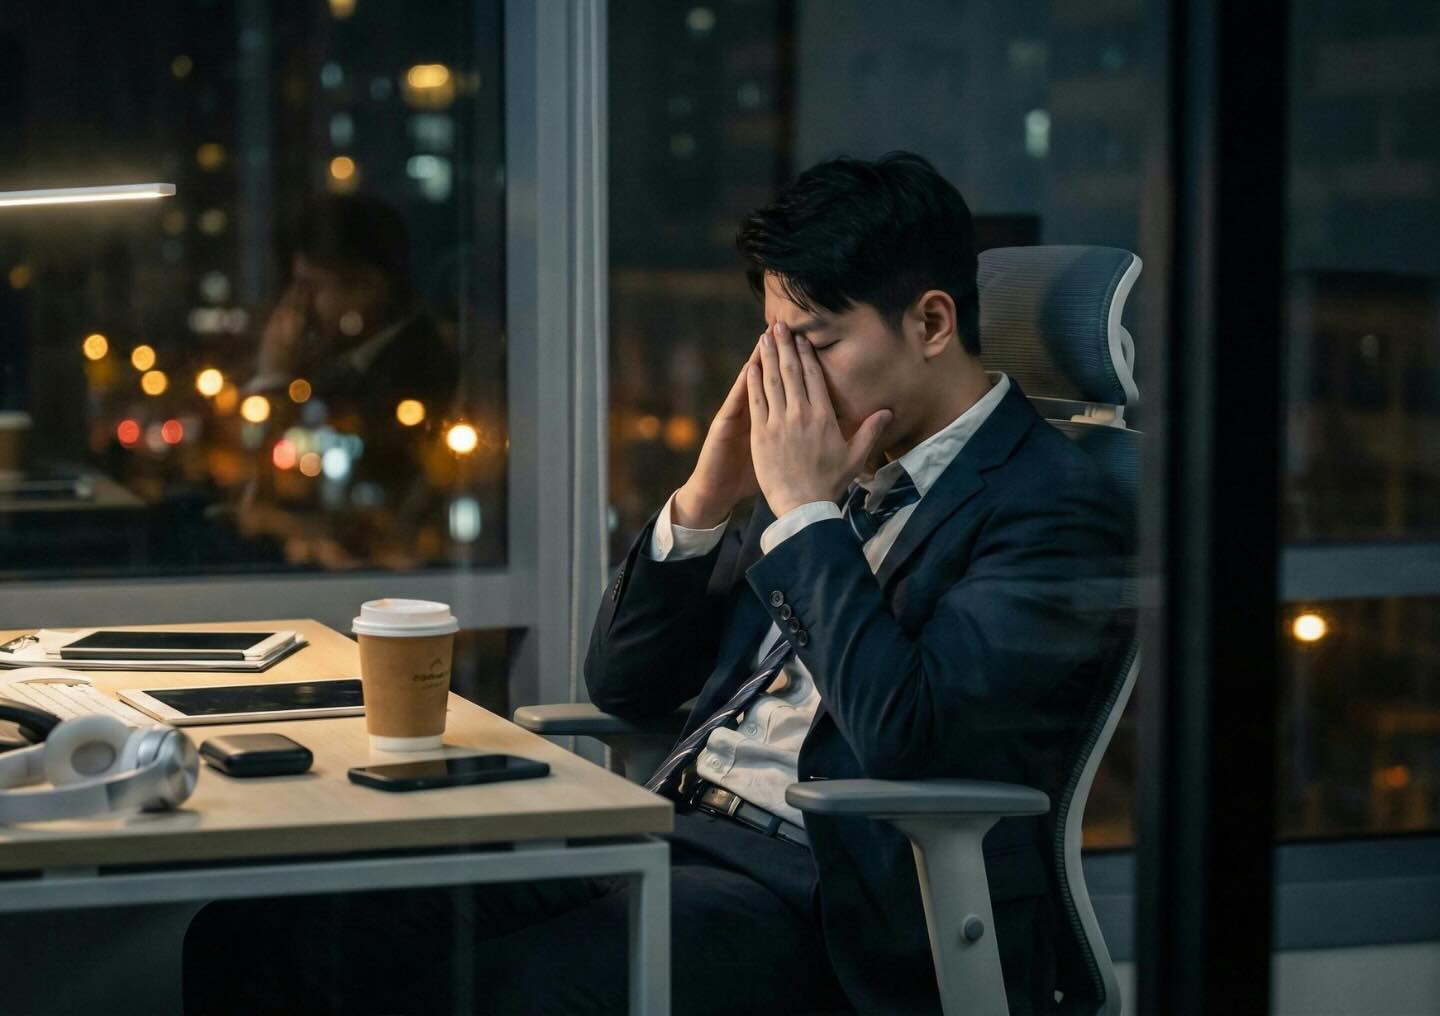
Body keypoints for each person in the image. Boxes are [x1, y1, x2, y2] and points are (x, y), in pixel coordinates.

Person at [184, 152, 1126, 1015]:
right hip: (670, 834)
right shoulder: (844, 456)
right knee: (266, 939)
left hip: (825, 899)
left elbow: (910, 737)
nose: (784, 380)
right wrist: (709, 494)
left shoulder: (1054, 501)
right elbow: (627, 685)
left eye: (817, 341)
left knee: (510, 996)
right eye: (773, 343)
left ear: (930, 322)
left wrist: (799, 514)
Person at [235, 194, 462, 568]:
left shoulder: (412, 379)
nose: (297, 307)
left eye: (311, 288)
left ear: (367, 288)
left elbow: (358, 514)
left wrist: (273, 378)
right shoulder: (340, 370)